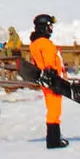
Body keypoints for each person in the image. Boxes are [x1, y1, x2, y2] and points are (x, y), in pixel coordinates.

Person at [29, 13, 68, 149]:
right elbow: (49, 61)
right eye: (49, 26)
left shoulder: (35, 43)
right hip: (52, 80)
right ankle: (53, 140)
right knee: (54, 110)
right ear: (43, 27)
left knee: (52, 108)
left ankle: (55, 138)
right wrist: (53, 74)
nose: (51, 29)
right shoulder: (44, 43)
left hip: (46, 80)